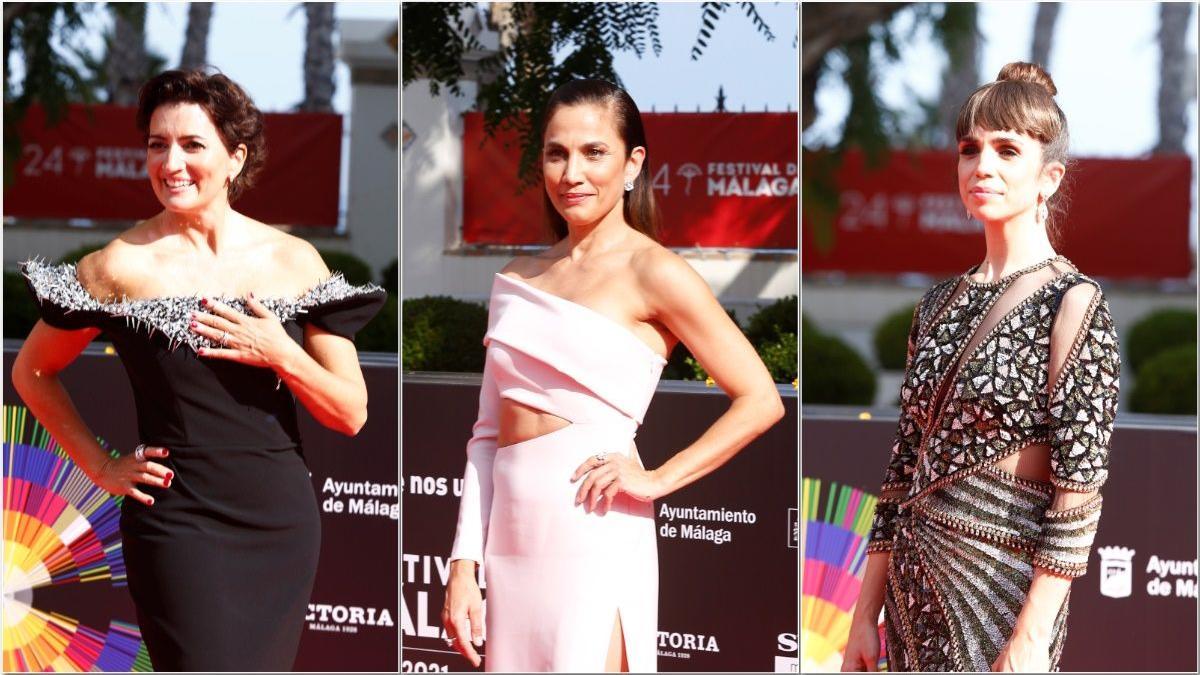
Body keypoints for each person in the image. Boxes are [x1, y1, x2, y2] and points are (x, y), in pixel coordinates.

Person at [12, 69, 386, 671]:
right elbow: (32, 373)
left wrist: (280, 353)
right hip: (178, 524)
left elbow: (350, 413)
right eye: (157, 145)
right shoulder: (118, 266)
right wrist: (101, 466)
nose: (171, 163)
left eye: (192, 145)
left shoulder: (294, 261)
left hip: (278, 522)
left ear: (235, 158)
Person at [439, 78, 785, 672]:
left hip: (592, 525)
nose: (572, 172)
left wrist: (657, 479)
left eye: (594, 152)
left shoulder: (657, 272)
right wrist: (464, 564)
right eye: (556, 153)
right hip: (511, 541)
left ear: (632, 163)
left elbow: (760, 399)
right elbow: (487, 438)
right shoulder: (517, 279)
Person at [841, 62, 1121, 672]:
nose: (981, 167)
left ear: (1050, 177)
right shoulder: (937, 303)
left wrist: (1031, 635)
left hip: (1001, 593)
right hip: (911, 593)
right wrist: (864, 614)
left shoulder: (1074, 305)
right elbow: (902, 468)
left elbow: (1079, 493)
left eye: (1006, 150)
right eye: (969, 150)